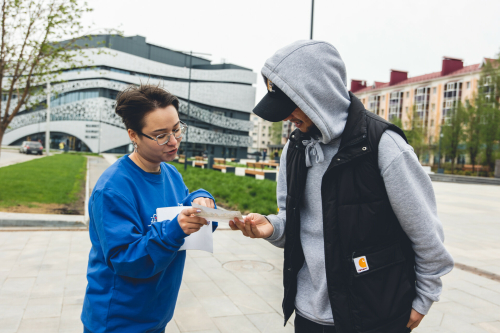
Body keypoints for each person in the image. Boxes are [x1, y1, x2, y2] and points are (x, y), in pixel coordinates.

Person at [229, 41, 454, 333]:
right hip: (308, 314)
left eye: (290, 106)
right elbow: (295, 221)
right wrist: (270, 227)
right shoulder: (295, 148)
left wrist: (422, 301)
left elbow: (427, 235)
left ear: (317, 94)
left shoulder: (383, 146)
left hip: (373, 316)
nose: (286, 118)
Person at [81, 85, 217, 333]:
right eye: (161, 135)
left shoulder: (170, 173)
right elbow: (125, 259)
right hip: (118, 321)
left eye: (177, 129)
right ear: (133, 135)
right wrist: (173, 229)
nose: (173, 141)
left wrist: (201, 201)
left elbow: (185, 213)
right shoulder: (113, 189)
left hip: (157, 314)